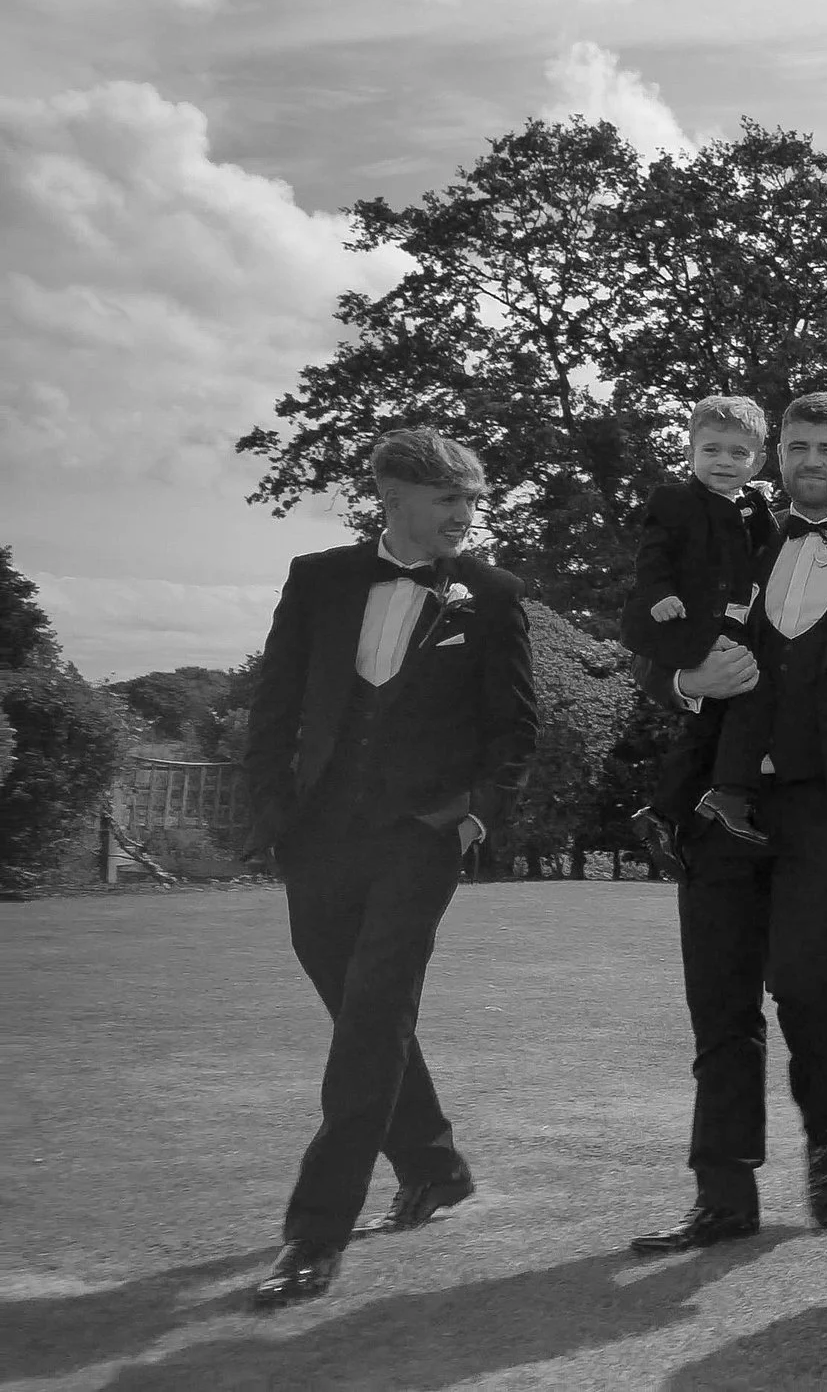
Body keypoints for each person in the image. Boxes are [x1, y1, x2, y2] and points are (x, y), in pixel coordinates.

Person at [628, 388, 827, 1253]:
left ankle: (824, 1122)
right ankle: (724, 1195)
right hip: (720, 801)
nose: (812, 460)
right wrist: (684, 682)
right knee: (719, 1000)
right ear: (778, 453)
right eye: (798, 445)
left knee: (803, 977)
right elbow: (656, 645)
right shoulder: (738, 533)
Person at [240, 429, 538, 1308]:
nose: (465, 515)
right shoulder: (318, 579)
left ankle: (314, 1233)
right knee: (358, 1010)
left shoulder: (491, 595)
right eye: (449, 499)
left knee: (372, 1017)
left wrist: (474, 815)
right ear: (393, 496)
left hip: (422, 838)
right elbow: (275, 707)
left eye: (472, 500)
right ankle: (435, 1166)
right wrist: (275, 818)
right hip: (319, 835)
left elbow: (515, 728)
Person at [619, 395, 779, 846]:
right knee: (745, 697)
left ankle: (668, 810)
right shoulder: (674, 500)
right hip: (693, 625)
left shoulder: (757, 508)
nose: (723, 461)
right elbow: (652, 556)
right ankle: (726, 792)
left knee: (709, 725)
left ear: (757, 462)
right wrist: (660, 594)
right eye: (711, 450)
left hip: (738, 625)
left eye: (737, 453)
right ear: (690, 453)